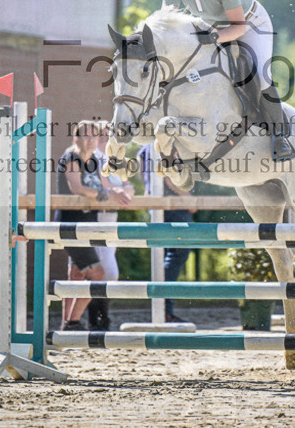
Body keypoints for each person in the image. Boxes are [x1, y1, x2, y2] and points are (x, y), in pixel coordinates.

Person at [161, 0, 295, 162]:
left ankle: (280, 135)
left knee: (261, 76)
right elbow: (169, 25)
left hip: (250, 24)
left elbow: (238, 28)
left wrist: (212, 38)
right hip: (213, 29)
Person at [56, 120, 131, 331]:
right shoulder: (71, 158)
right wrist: (107, 194)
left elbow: (105, 187)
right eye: (86, 136)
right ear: (76, 138)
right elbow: (77, 188)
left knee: (77, 275)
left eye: (94, 137)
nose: (90, 141)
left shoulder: (95, 162)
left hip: (88, 224)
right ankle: (72, 322)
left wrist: (116, 192)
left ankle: (66, 324)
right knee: (97, 274)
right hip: (71, 224)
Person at [86, 121, 134, 331]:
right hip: (94, 219)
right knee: (105, 272)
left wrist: (122, 192)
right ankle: (97, 318)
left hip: (111, 219)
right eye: (103, 136)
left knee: (108, 273)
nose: (106, 140)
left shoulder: (115, 160)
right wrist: (119, 191)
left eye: (109, 136)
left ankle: (102, 318)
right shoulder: (92, 158)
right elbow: (106, 187)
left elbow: (129, 187)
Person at [138, 143, 193, 324]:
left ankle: (162, 309)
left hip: (159, 204)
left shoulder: (148, 144)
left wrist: (148, 188)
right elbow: (168, 174)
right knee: (176, 254)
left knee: (163, 256)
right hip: (174, 205)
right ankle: (164, 310)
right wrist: (186, 197)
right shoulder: (169, 140)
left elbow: (140, 159)